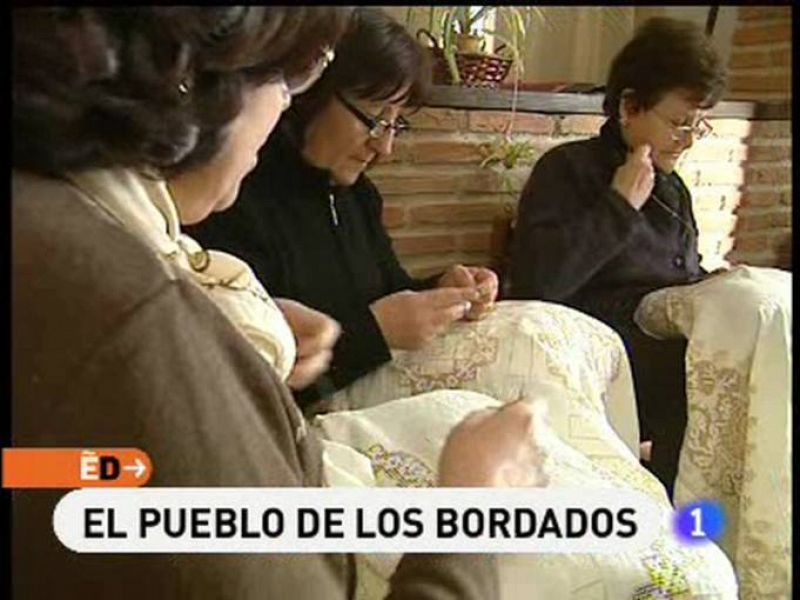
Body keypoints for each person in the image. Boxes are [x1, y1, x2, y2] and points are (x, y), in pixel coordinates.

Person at [13, 7, 545, 598]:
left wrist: (232, 352)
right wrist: (473, 510)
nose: (287, 101)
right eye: (292, 77)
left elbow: (36, 473)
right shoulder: (134, 308)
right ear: (192, 73)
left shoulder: (61, 222)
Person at [188, 7, 500, 408]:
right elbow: (242, 383)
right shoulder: (232, 199)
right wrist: (375, 334)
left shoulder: (359, 196)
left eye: (396, 123)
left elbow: (389, 291)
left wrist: (443, 289)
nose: (384, 146)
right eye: (373, 119)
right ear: (311, 92)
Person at [506, 18, 727, 497]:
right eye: (677, 123)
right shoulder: (567, 168)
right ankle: (675, 523)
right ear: (629, 107)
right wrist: (620, 204)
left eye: (697, 125)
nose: (686, 139)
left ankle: (724, 530)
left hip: (667, 345)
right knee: (700, 374)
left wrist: (714, 285)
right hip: (602, 348)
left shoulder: (673, 187)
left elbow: (680, 276)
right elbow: (536, 284)